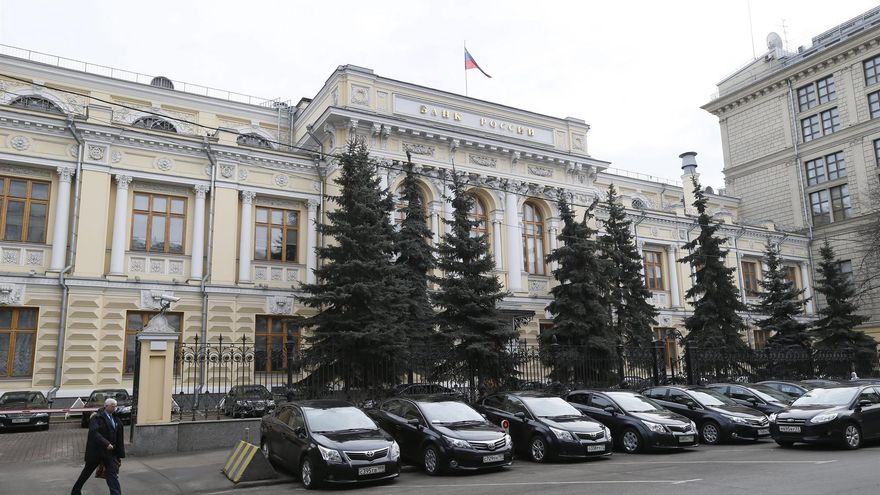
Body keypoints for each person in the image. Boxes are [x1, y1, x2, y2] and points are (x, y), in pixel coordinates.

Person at [71, 397, 125, 495]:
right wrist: (106, 443)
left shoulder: (115, 418)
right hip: (96, 452)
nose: (114, 408)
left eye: (115, 407)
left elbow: (118, 435)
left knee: (112, 475)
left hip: (110, 453)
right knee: (86, 473)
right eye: (112, 406)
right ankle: (75, 491)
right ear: (106, 406)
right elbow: (94, 433)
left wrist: (118, 452)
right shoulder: (96, 417)